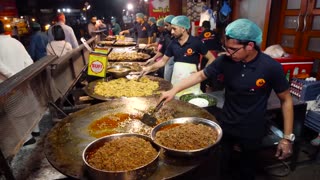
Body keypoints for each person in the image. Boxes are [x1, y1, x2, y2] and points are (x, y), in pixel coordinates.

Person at [159, 19, 294, 180]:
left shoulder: (271, 67)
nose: (228, 53)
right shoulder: (225, 60)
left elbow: (286, 100)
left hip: (253, 128)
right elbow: (201, 75)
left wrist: (287, 138)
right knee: (222, 166)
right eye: (226, 48)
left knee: (247, 170)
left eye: (233, 49)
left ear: (250, 46)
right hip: (227, 123)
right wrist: (174, 90)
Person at [140, 16, 215, 89]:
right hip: (176, 80)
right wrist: (149, 68)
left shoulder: (196, 42)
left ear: (183, 28)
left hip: (192, 81)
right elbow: (163, 61)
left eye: (174, 29)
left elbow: (211, 58)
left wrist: (202, 73)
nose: (172, 32)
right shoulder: (173, 44)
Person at [0, 20, 39, 146]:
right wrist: (23, 76)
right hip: (24, 80)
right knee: (28, 105)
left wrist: (13, 77)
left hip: (8, 84)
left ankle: (27, 138)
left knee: (14, 111)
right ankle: (36, 130)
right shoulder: (15, 41)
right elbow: (29, 61)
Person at [144, 15, 175, 82]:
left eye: (166, 25)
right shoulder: (166, 35)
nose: (165, 27)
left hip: (174, 64)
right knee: (167, 80)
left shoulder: (175, 38)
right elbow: (163, 50)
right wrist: (153, 59)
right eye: (164, 25)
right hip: (167, 61)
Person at [198, 20, 222, 92]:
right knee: (214, 72)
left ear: (203, 27)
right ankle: (215, 90)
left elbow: (199, 47)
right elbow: (219, 45)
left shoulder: (201, 35)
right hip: (214, 55)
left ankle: (202, 90)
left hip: (205, 55)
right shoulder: (215, 33)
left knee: (203, 72)